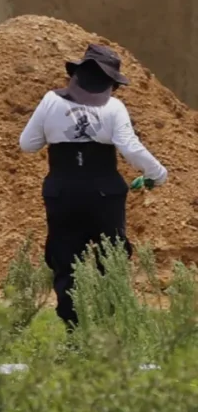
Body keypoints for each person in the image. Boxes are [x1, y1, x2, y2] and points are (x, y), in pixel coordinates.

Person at [19, 44, 167, 329]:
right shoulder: (113, 107)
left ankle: (73, 331)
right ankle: (106, 327)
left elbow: (28, 144)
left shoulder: (50, 100)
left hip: (62, 189)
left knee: (65, 260)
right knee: (110, 257)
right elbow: (129, 147)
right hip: (104, 192)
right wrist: (157, 173)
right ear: (109, 83)